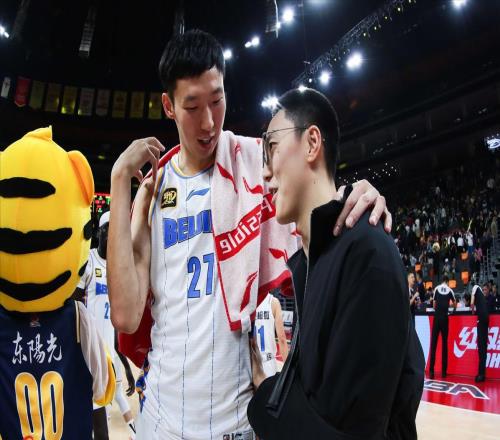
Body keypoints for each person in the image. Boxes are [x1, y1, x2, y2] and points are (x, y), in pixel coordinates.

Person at [108, 30, 392, 439]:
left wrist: (357, 192)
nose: (209, 122)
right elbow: (125, 315)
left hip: (237, 423)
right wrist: (120, 179)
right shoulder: (154, 191)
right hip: (162, 418)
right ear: (168, 106)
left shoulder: (254, 161)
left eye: (217, 100)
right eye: (192, 106)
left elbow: (313, 182)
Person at [247, 88, 424, 439]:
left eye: (272, 148)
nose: (264, 173)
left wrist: (265, 393)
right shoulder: (312, 261)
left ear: (312, 143)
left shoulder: (367, 252)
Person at [74, 211, 136, 439]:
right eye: (108, 228)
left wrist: (126, 367)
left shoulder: (117, 270)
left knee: (101, 426)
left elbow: (116, 327)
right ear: (99, 231)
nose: (112, 233)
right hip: (86, 358)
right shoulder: (88, 261)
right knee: (95, 427)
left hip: (107, 362)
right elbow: (73, 306)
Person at [254, 292, 289, 377]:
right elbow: (282, 338)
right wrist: (288, 369)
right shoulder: (273, 302)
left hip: (252, 363)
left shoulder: (248, 302)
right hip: (268, 363)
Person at [429, 275, 457, 379]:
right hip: (445, 319)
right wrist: (449, 307)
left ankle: (431, 371)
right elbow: (455, 304)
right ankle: (444, 372)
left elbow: (434, 305)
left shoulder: (436, 288)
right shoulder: (450, 290)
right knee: (444, 344)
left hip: (437, 318)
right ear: (447, 282)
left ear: (442, 281)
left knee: (434, 344)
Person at [470, 282, 489, 382]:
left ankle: (481, 375)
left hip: (481, 318)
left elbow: (472, 303)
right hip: (486, 318)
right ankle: (483, 374)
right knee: (484, 347)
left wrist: (473, 312)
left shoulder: (475, 287)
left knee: (481, 347)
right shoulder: (482, 295)